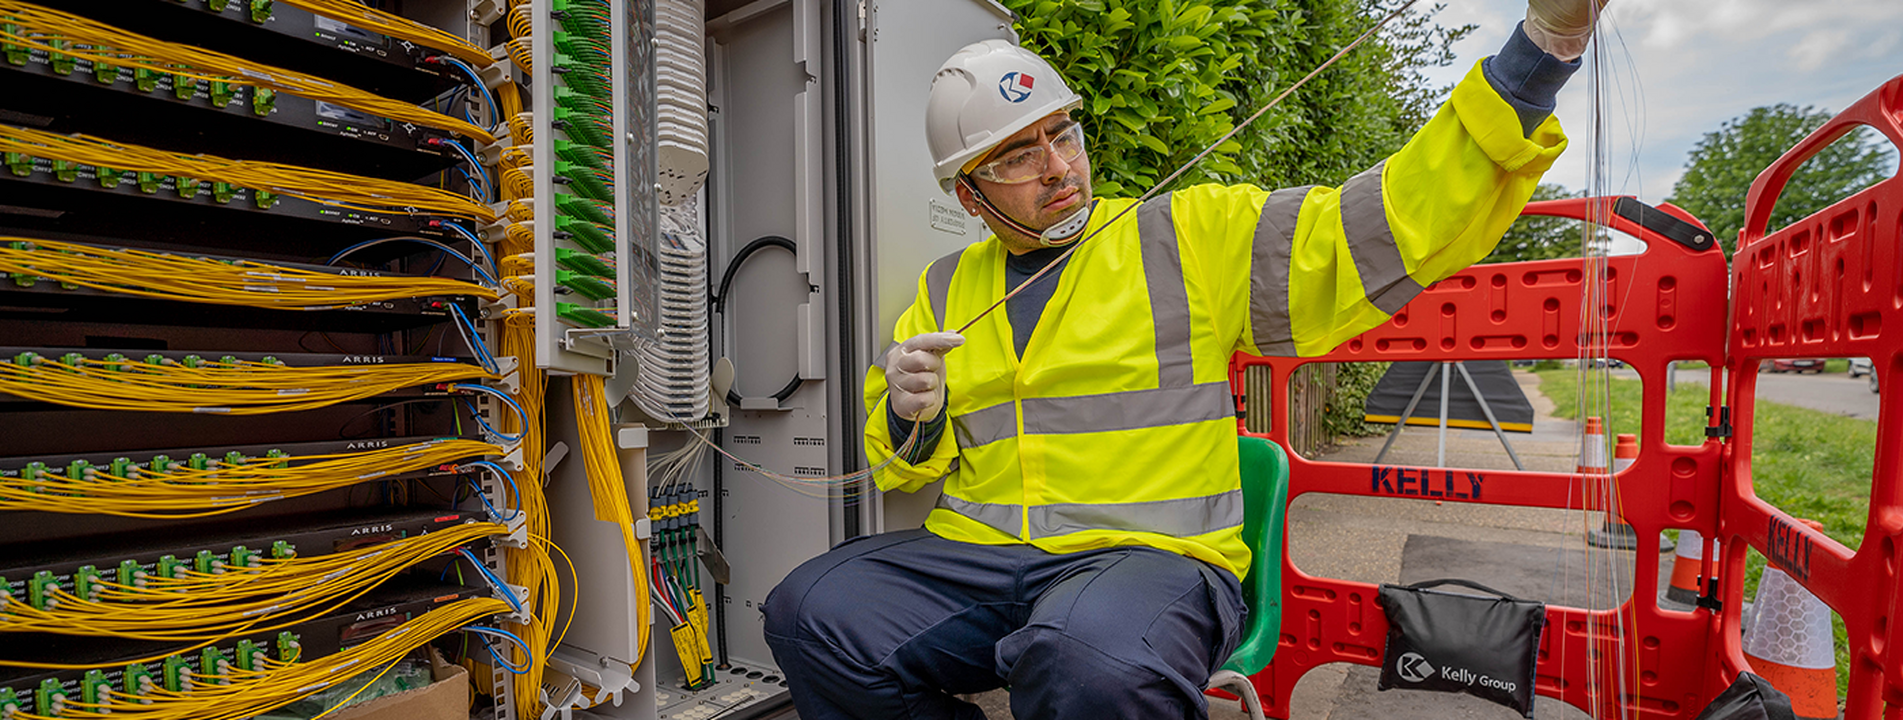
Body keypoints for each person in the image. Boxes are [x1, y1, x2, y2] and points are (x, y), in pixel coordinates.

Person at [764, 1, 1602, 717]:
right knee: (808, 613)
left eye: (1062, 133)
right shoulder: (944, 286)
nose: (1058, 167)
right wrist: (908, 414)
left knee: (1089, 659)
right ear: (968, 194)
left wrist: (1537, 57)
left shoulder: (1185, 237)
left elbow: (1376, 223)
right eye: (1018, 156)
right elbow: (902, 470)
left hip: (1150, 560)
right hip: (979, 557)